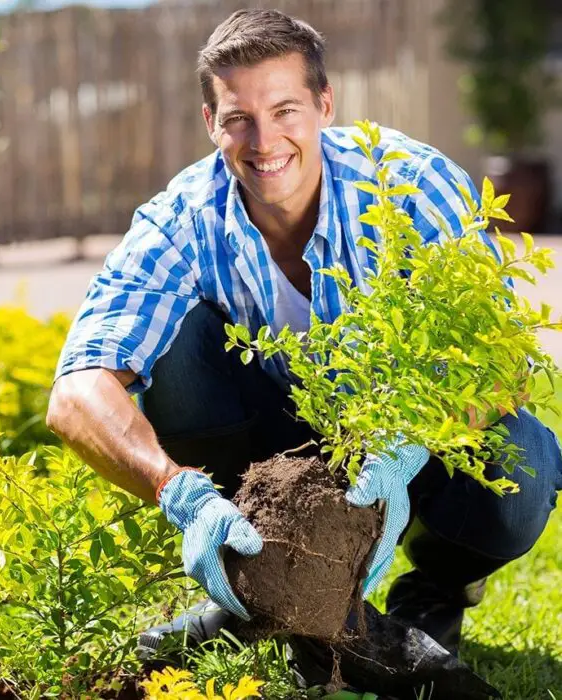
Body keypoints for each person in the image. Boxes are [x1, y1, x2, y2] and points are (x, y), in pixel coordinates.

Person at [46, 9, 562, 658]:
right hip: (271, 446)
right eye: (238, 119)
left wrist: (407, 444)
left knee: (522, 460)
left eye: (285, 110)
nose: (264, 142)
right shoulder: (181, 218)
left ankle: (434, 589)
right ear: (211, 125)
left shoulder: (405, 184)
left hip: (405, 432)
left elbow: (502, 354)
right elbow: (76, 392)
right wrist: (175, 490)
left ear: (324, 104)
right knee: (174, 341)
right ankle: (252, 574)